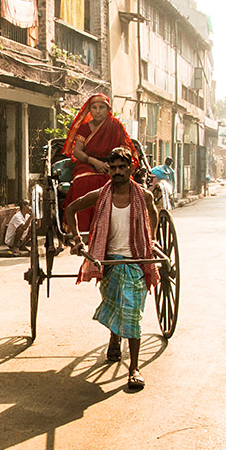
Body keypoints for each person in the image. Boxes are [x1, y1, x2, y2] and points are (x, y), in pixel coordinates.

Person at [64, 147, 160, 390]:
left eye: (122, 167)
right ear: (109, 169)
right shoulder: (100, 194)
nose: (117, 172)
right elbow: (71, 209)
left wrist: (153, 239)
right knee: (116, 305)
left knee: (132, 313)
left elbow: (155, 214)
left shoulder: (144, 196)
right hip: (107, 262)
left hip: (136, 261)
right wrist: (77, 238)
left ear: (131, 168)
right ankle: (114, 338)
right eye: (113, 167)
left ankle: (135, 368)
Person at [61, 94, 138, 232]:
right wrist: (95, 162)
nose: (97, 111)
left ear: (108, 109)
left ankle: (122, 224)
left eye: (101, 107)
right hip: (88, 163)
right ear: (89, 110)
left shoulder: (116, 126)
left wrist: (112, 164)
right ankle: (83, 228)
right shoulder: (84, 128)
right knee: (84, 182)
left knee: (124, 183)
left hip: (113, 164)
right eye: (94, 108)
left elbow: (125, 148)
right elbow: (77, 151)